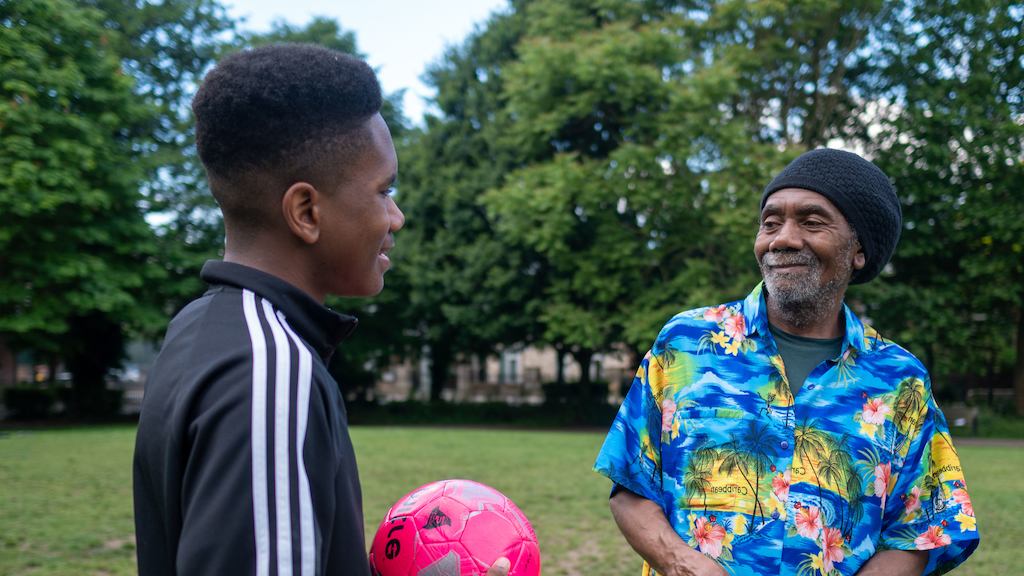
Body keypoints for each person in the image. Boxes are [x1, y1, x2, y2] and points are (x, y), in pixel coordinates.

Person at [133, 44, 510, 576]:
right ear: (306, 211)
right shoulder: (269, 373)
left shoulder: (200, 329)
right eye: (384, 190)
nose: (396, 217)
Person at [594, 149, 979, 576]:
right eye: (770, 223)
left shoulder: (899, 379)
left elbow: (919, 532)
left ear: (859, 251)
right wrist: (681, 562)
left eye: (812, 222)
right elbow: (630, 487)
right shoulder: (685, 345)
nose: (782, 239)